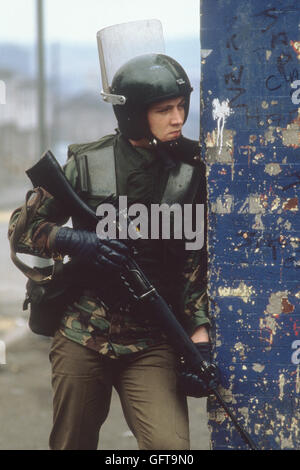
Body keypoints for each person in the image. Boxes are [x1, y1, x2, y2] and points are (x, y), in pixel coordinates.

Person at [8, 53, 217, 450]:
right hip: (82, 334)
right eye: (164, 110)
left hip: (153, 341)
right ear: (136, 115)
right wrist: (74, 241)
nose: (178, 119)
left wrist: (199, 336)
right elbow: (22, 228)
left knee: (171, 450)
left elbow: (194, 261)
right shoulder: (89, 165)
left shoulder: (191, 172)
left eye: (181, 107)